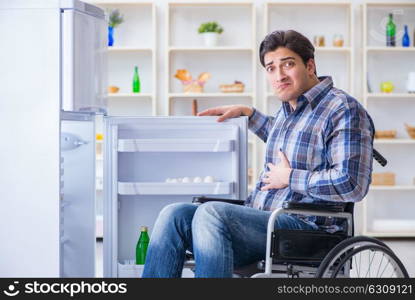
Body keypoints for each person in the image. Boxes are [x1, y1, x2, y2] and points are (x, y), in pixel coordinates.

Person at [142, 30, 375, 278]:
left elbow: (353, 185)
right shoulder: (290, 109)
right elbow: (295, 142)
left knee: (211, 213)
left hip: (306, 231)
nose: (279, 75)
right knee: (173, 215)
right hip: (266, 223)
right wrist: (250, 114)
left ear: (310, 65)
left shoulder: (343, 109)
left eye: (288, 64)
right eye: (271, 68)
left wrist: (290, 177)